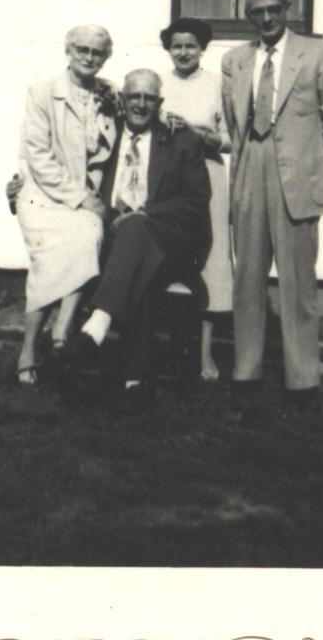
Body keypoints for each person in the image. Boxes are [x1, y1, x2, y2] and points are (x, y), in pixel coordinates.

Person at [221, 0, 323, 408]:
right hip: (250, 170)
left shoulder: (317, 53)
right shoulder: (235, 60)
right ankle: (246, 372)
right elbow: (234, 122)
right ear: (248, 16)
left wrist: (307, 157)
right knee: (247, 279)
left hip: (296, 175)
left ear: (288, 8)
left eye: (273, 9)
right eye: (257, 12)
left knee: (298, 284)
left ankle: (303, 380)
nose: (266, 18)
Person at [59, 69, 211, 406]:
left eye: (149, 98)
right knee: (139, 264)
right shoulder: (106, 138)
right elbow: (62, 167)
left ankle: (98, 324)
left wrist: (146, 213)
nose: (141, 104)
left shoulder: (182, 140)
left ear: (160, 103)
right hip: (118, 245)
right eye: (134, 97)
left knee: (136, 232)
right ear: (123, 100)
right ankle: (135, 379)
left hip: (169, 242)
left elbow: (196, 201)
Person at [13, 25, 119, 386]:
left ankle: (59, 332)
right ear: (68, 51)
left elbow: (142, 116)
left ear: (106, 57)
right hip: (43, 195)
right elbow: (38, 157)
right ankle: (34, 346)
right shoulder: (43, 92)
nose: (89, 57)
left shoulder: (110, 94)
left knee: (87, 233)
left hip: (85, 199)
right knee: (49, 261)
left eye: (97, 52)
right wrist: (81, 198)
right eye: (82, 50)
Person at [158, 17, 232, 381]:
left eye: (190, 45)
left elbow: (232, 139)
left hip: (209, 176)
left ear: (202, 48)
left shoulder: (218, 85)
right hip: (169, 179)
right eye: (177, 46)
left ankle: (205, 353)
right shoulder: (158, 85)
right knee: (170, 257)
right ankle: (169, 348)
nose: (184, 52)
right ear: (168, 49)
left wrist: (203, 136)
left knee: (212, 261)